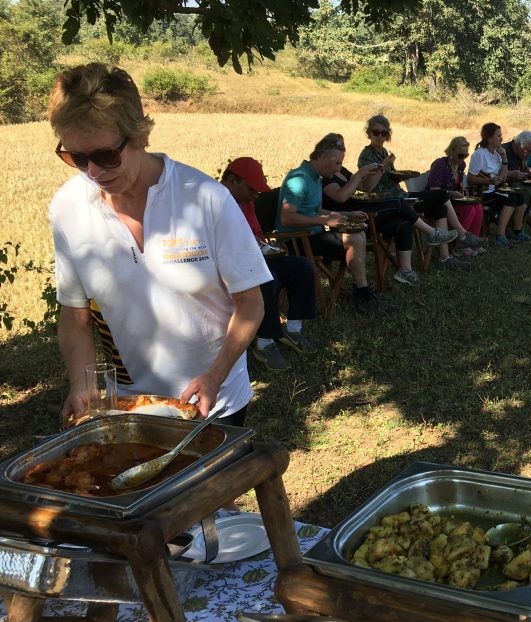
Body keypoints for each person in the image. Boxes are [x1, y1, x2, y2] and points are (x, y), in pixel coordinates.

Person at [49, 63, 271, 425]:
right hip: (129, 405)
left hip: (213, 402)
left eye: (105, 156)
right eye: (76, 158)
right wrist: (80, 384)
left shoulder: (205, 199)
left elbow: (250, 302)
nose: (93, 172)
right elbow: (75, 315)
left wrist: (214, 376)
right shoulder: (68, 207)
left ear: (138, 136)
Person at [318, 133, 462, 282]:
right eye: (336, 147)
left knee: (403, 223)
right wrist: (359, 174)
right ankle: (432, 233)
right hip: (352, 221)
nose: (341, 151)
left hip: (363, 211)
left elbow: (364, 187)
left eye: (342, 146)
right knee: (399, 203)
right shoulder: (325, 176)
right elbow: (341, 197)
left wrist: (374, 171)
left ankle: (405, 271)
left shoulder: (341, 170)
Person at [221, 157, 317, 372]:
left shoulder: (246, 202)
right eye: (251, 189)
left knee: (302, 267)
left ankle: (293, 329)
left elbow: (256, 234)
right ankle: (265, 342)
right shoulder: (212, 202)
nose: (255, 195)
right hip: (228, 266)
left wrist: (263, 245)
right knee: (266, 280)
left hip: (255, 258)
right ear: (231, 180)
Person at [276, 135, 390, 314]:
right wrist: (325, 220)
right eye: (337, 163)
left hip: (311, 235)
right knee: (353, 238)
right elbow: (287, 218)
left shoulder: (315, 177)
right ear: (321, 157)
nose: (339, 168)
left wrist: (344, 214)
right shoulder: (299, 179)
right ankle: (363, 294)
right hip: (296, 241)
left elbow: (315, 210)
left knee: (358, 234)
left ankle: (362, 291)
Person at [356, 115, 484, 257]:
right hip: (390, 202)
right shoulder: (366, 155)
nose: (380, 136)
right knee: (441, 194)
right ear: (369, 133)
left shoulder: (383, 152)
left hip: (400, 195)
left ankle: (445, 257)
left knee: (440, 208)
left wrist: (398, 177)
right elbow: (367, 187)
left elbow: (387, 179)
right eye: (376, 132)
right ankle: (463, 237)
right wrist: (384, 166)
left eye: (384, 133)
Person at [467, 123, 531, 248]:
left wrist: (505, 158)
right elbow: (470, 179)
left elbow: (503, 177)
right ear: (489, 138)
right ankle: (500, 236)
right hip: (483, 194)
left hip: (495, 191)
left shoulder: (497, 154)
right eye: (498, 136)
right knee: (511, 198)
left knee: (519, 197)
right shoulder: (479, 154)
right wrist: (489, 181)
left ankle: (517, 232)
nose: (501, 139)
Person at [426, 137, 487, 261]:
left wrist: (460, 188)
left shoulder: (461, 165)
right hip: (437, 202)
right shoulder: (440, 164)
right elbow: (434, 189)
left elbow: (457, 184)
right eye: (460, 155)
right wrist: (450, 192)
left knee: (478, 207)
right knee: (469, 209)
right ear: (451, 152)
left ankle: (471, 242)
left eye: (466, 155)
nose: (463, 158)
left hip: (454, 202)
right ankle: (460, 245)